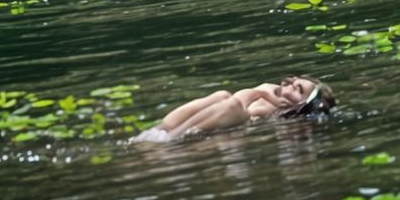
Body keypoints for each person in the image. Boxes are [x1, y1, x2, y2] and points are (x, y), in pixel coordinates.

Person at [129, 75, 336, 142]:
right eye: (293, 82)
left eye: (298, 90)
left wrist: (259, 93)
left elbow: (238, 103)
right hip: (210, 124)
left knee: (231, 102)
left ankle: (166, 138)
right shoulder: (270, 93)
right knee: (221, 95)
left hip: (226, 131)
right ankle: (160, 131)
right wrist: (262, 93)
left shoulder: (281, 113)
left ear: (303, 104)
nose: (289, 87)